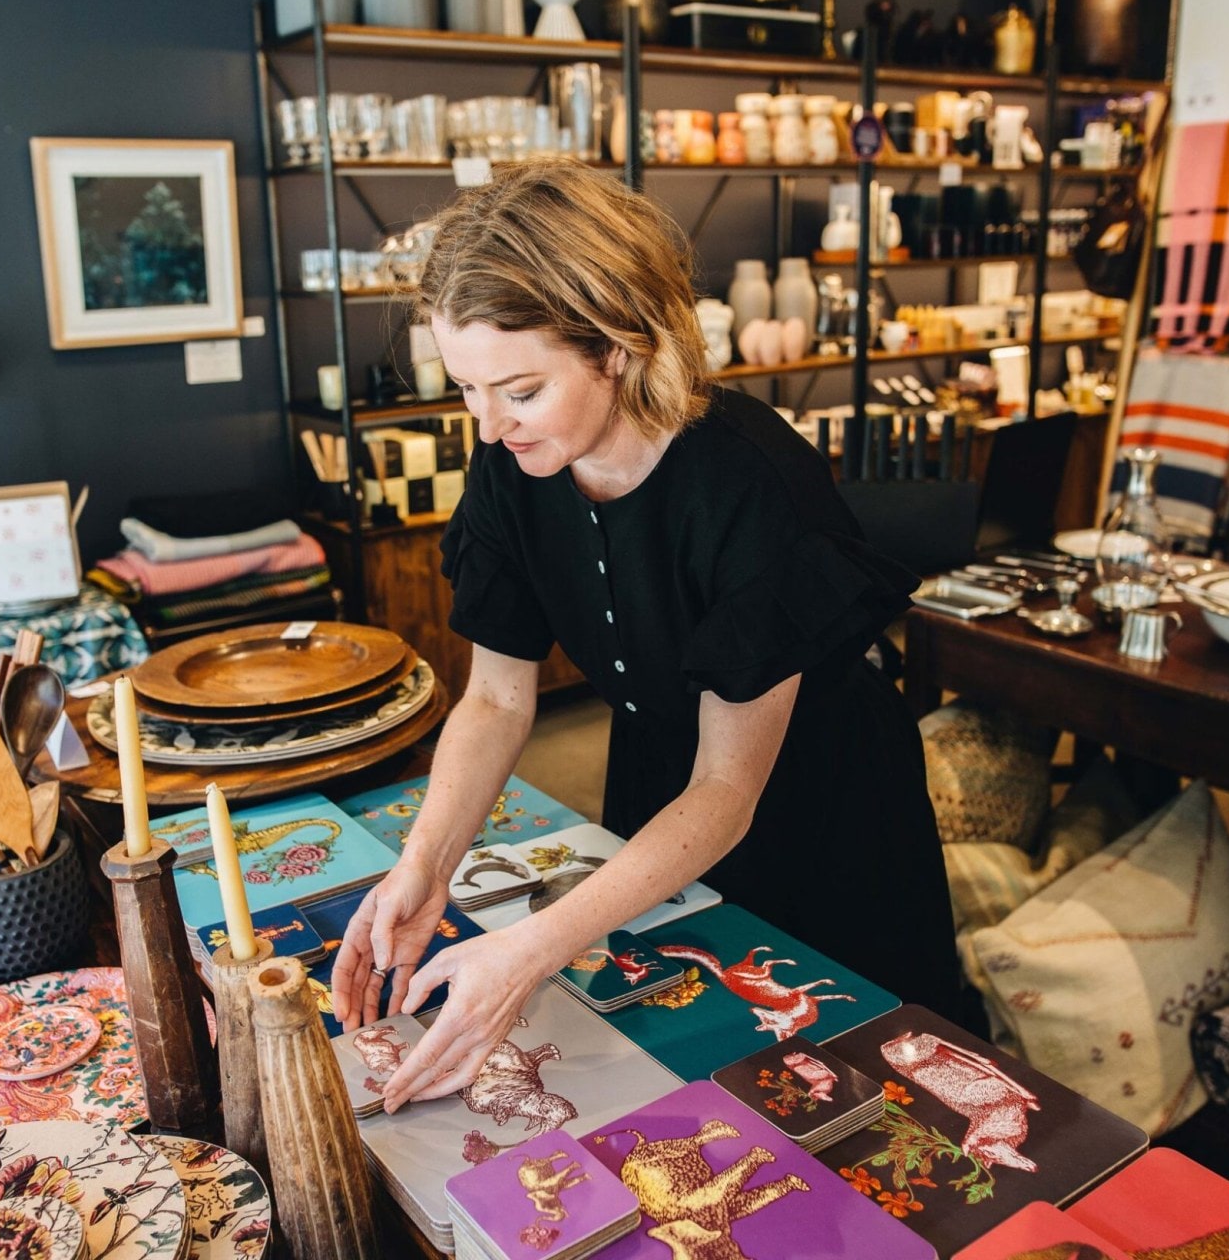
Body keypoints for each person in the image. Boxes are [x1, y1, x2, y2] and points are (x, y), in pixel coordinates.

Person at [329, 159, 960, 1112]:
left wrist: (534, 951)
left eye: (521, 390)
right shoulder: (512, 465)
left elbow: (727, 788)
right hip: (658, 782)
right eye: (465, 388)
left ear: (619, 345)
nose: (489, 425)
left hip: (820, 809)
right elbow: (498, 698)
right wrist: (423, 868)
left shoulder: (748, 483)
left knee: (855, 1092)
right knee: (680, 1074)